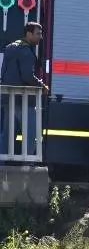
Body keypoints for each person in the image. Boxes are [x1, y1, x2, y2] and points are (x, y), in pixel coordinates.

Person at [0, 22, 48, 157]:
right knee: (31, 135)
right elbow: (27, 76)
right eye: (38, 33)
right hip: (24, 102)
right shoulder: (26, 52)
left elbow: (3, 73)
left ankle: (2, 165)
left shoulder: (10, 48)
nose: (40, 37)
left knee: (7, 136)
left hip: (9, 100)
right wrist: (42, 86)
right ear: (29, 33)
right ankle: (28, 165)